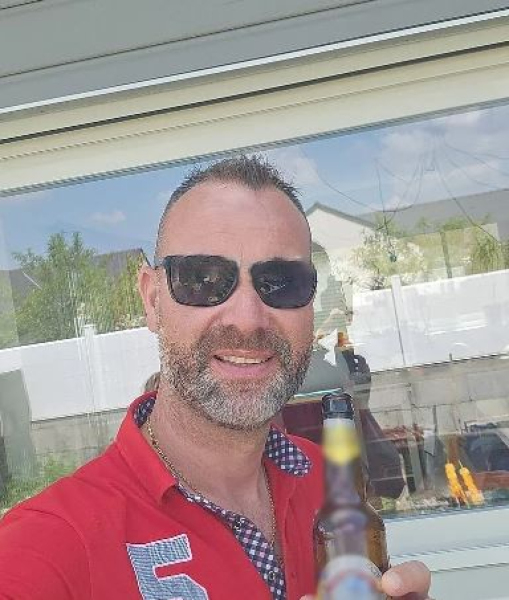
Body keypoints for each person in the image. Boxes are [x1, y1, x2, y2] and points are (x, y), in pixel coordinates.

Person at [0, 156, 431, 600]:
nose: (247, 319)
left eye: (281, 281)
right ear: (152, 300)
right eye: (203, 279)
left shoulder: (325, 480)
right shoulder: (46, 548)